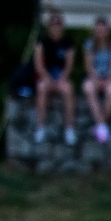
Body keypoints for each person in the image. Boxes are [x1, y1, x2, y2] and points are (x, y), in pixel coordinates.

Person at [33, 12, 78, 146]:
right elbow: (38, 64)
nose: (56, 27)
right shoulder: (42, 42)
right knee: (41, 88)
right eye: (54, 24)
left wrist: (61, 78)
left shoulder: (68, 42)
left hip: (61, 77)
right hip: (47, 76)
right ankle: (41, 127)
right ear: (49, 26)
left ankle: (69, 128)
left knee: (69, 89)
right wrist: (47, 78)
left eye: (59, 24)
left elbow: (69, 65)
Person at [82, 17, 111, 143]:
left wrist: (108, 79)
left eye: (103, 29)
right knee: (88, 87)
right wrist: (96, 79)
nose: (101, 32)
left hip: (109, 77)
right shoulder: (89, 44)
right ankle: (102, 126)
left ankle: (100, 125)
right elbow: (88, 66)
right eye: (99, 29)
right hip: (94, 77)